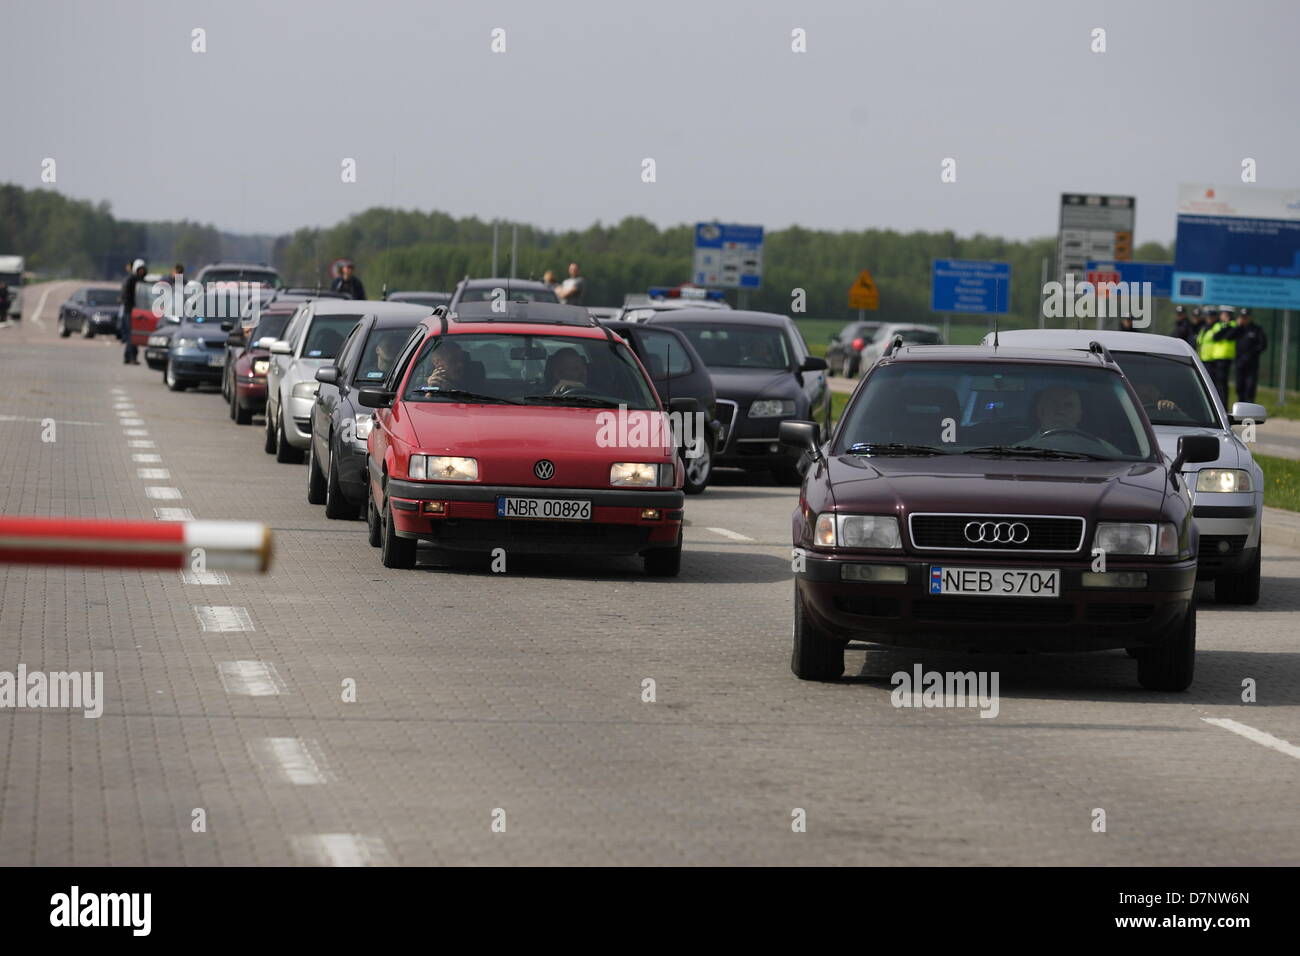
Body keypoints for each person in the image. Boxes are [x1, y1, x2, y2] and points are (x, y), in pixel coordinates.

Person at [1199, 305, 1237, 405]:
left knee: (1221, 384)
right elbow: (1216, 336)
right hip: (1214, 357)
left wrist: (1226, 325)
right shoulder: (1219, 325)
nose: (1221, 316)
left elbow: (1224, 336)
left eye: (1223, 314)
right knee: (1215, 383)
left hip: (1224, 357)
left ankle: (1223, 405)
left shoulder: (1232, 325)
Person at [1233, 308, 1267, 404]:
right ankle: (1241, 404)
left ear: (1250, 317)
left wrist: (1251, 353)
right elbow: (1228, 336)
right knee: (1239, 386)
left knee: (1250, 387)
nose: (1244, 319)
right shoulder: (1238, 329)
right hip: (1239, 362)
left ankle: (1250, 406)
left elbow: (1263, 345)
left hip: (1252, 363)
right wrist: (1237, 326)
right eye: (1242, 317)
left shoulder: (1257, 329)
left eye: (1246, 317)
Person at [119, 258, 146, 365]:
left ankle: (129, 357)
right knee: (131, 336)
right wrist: (132, 306)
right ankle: (131, 357)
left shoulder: (142, 281)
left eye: (143, 270)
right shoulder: (130, 280)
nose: (142, 272)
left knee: (133, 335)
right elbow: (126, 297)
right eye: (140, 270)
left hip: (138, 312)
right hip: (130, 311)